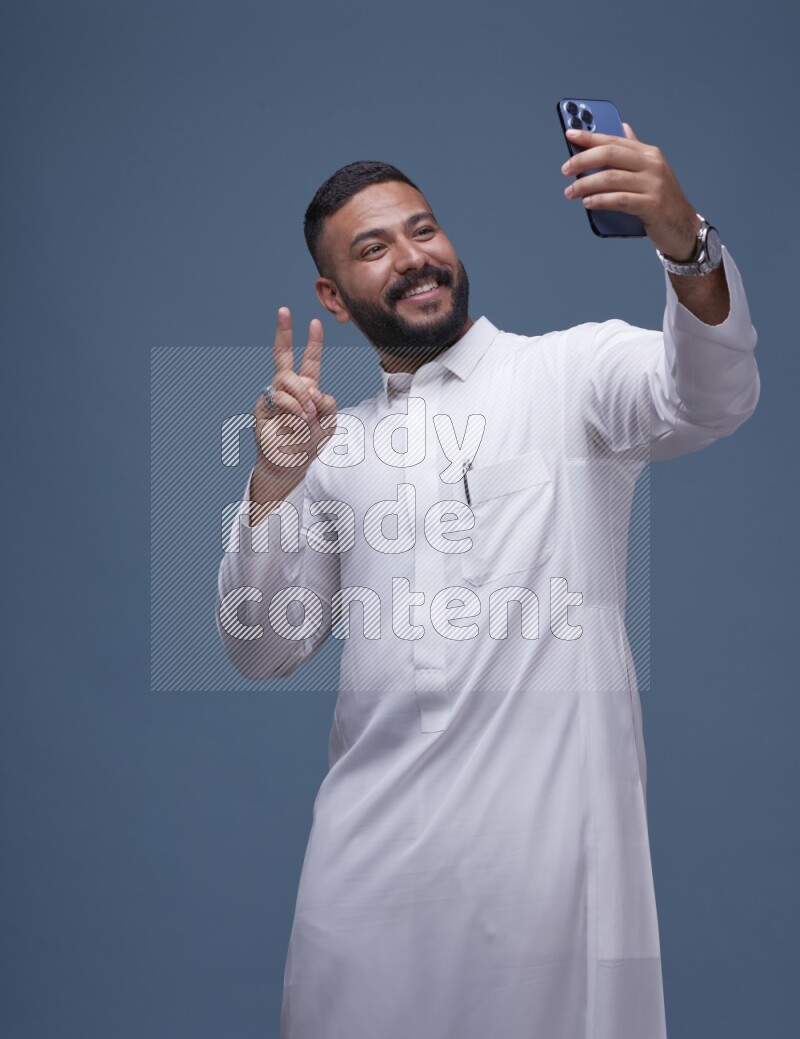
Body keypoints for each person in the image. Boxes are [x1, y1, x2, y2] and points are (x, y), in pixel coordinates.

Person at [216, 124, 759, 1039]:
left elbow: (710, 394)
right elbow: (262, 646)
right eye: (374, 247)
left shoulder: (570, 373)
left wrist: (684, 239)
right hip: (370, 880)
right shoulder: (330, 444)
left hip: (552, 875)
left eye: (423, 230)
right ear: (333, 299)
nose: (413, 258)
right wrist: (275, 477)